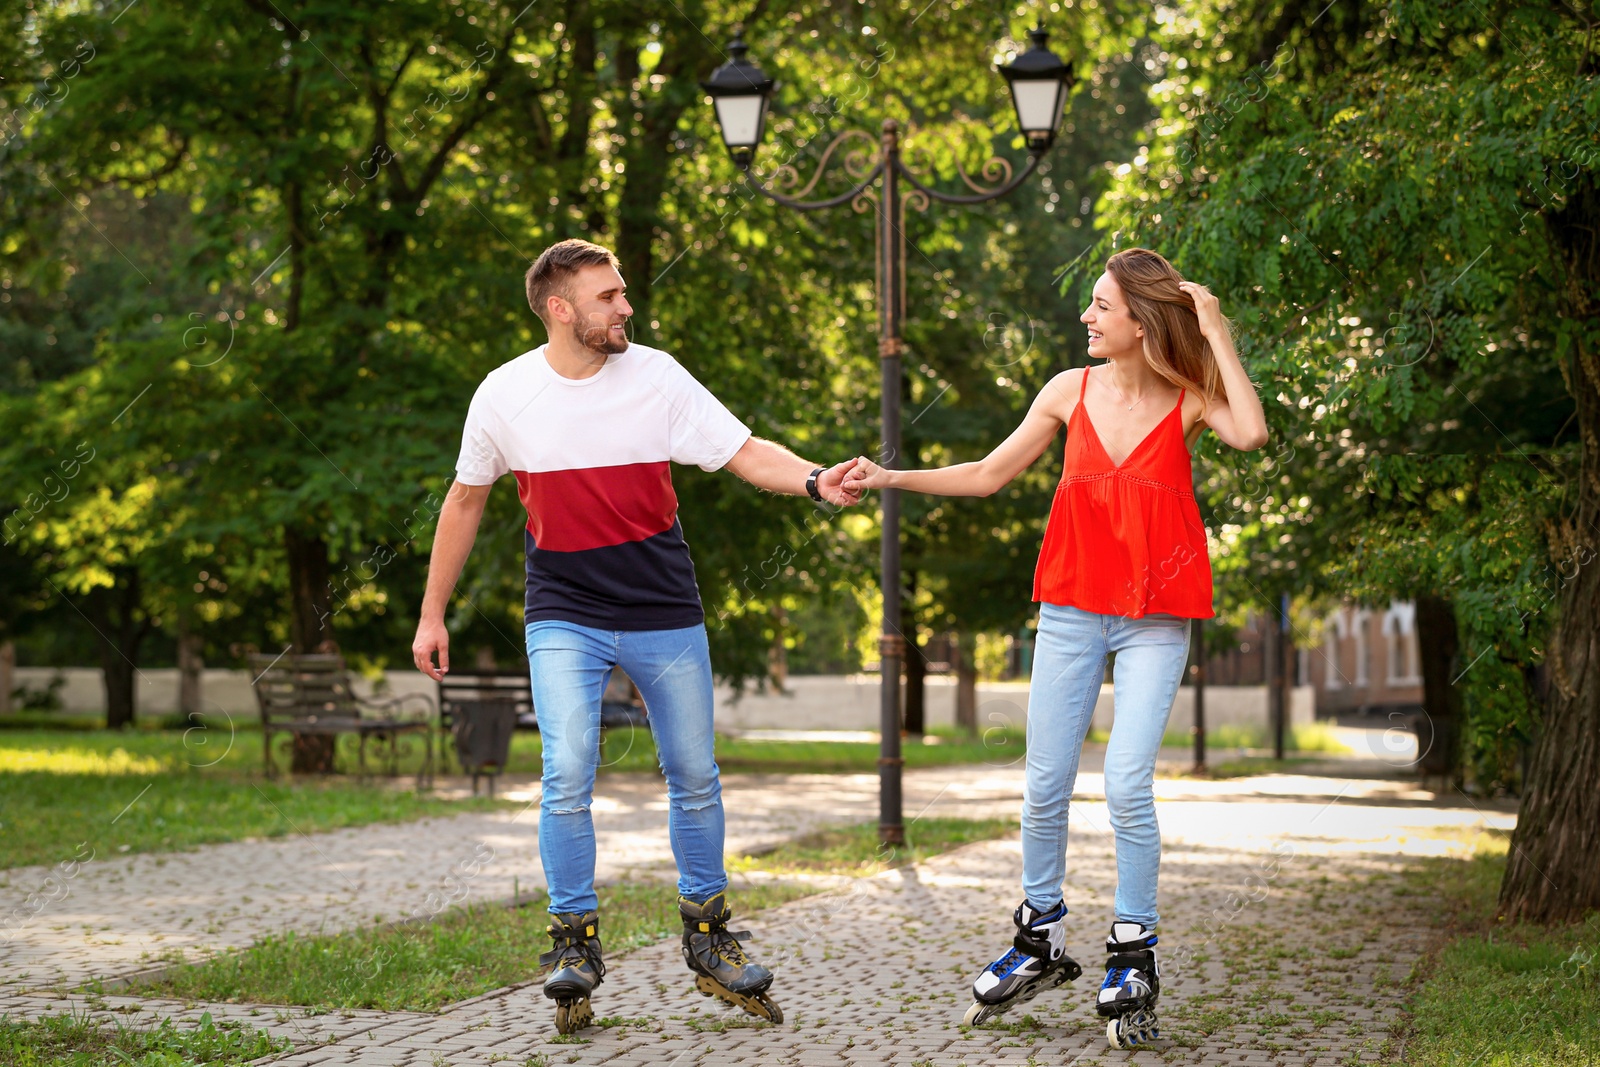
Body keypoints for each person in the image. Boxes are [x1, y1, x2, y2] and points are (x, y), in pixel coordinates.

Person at [413, 238, 861, 1033]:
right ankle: (572, 942)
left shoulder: (656, 376)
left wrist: (816, 479)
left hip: (664, 607)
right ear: (560, 309)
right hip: (564, 610)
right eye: (607, 296)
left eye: (623, 293)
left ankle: (709, 934)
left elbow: (743, 451)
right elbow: (464, 501)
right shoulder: (504, 393)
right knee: (568, 768)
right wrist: (431, 612)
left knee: (694, 771)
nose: (626, 306)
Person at [844, 248, 1267, 1049]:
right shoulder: (1066, 392)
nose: (1087, 317)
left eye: (1102, 307)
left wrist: (1214, 327)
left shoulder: (1190, 400)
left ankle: (1134, 948)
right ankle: (1038, 933)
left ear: (1140, 323)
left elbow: (1252, 431)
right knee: (1044, 784)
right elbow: (987, 474)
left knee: (1127, 780)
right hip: (1071, 612)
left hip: (1153, 617)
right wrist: (887, 479)